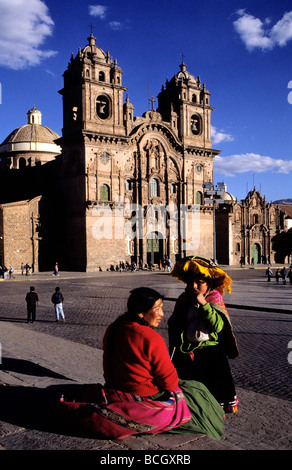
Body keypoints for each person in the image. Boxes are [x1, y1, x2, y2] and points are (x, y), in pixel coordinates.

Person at [61, 287, 224, 440]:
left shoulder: (114, 327)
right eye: (157, 308)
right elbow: (169, 383)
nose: (161, 314)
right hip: (144, 394)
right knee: (198, 393)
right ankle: (214, 430)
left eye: (162, 307)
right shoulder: (150, 338)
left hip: (115, 386)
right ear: (140, 312)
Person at [168, 256, 239, 414]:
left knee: (214, 389)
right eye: (190, 282)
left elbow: (218, 326)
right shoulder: (183, 299)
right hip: (188, 352)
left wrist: (204, 305)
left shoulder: (214, 299)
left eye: (199, 283)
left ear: (209, 284)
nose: (193, 286)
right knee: (192, 391)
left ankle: (214, 415)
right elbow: (174, 325)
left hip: (211, 353)